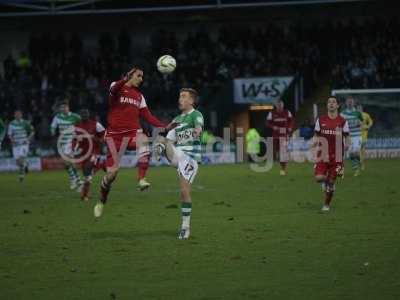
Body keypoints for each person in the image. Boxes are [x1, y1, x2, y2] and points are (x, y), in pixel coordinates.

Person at [94, 67, 167, 218]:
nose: (141, 79)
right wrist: (124, 80)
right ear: (130, 75)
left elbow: (147, 115)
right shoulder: (117, 86)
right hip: (115, 137)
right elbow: (113, 90)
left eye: (142, 76)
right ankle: (102, 200)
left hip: (133, 132)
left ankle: (141, 179)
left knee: (144, 140)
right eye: (139, 76)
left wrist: (162, 126)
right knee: (111, 175)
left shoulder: (139, 96)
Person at [154, 88, 204, 239]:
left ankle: (185, 227)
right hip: (178, 154)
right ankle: (159, 149)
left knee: (184, 192)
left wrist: (197, 130)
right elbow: (169, 138)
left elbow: (199, 125)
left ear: (191, 101)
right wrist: (162, 142)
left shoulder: (196, 115)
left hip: (190, 157)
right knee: (162, 138)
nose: (180, 99)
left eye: (183, 97)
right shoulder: (177, 119)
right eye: (179, 96)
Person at [312, 97, 350, 212]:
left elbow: (347, 136)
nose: (331, 104)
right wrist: (314, 143)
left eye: (334, 102)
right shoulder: (321, 120)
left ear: (337, 106)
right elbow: (316, 135)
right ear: (327, 105)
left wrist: (347, 144)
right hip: (323, 154)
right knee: (319, 178)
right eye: (329, 102)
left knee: (331, 182)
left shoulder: (342, 121)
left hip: (337, 156)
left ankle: (326, 205)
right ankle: (326, 183)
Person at [74, 109, 106, 201]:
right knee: (87, 175)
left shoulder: (96, 124)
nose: (84, 115)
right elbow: (73, 138)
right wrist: (77, 139)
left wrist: (98, 139)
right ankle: (101, 165)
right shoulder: (77, 126)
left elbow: (104, 135)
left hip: (94, 152)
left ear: (89, 114)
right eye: (82, 114)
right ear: (80, 115)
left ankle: (84, 196)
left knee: (88, 173)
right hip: (83, 153)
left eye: (86, 113)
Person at [50, 101, 83, 190]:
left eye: (65, 107)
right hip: (62, 143)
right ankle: (73, 178)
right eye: (61, 108)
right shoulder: (57, 117)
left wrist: (79, 135)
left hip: (71, 141)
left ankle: (79, 182)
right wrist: (52, 131)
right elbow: (52, 127)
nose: (63, 109)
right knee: (66, 163)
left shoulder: (75, 116)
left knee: (70, 161)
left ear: (68, 108)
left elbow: (82, 125)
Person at [266, 100, 294, 176]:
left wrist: (290, 127)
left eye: (281, 105)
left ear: (283, 105)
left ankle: (283, 169)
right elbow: (267, 123)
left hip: (284, 134)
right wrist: (273, 127)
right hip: (275, 134)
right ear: (276, 106)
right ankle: (278, 160)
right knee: (277, 151)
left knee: (282, 152)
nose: (280, 107)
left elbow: (291, 121)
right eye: (278, 105)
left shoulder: (287, 112)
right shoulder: (271, 113)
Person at [7, 110, 35, 182]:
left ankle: (21, 176)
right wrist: (12, 140)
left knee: (21, 159)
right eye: (16, 114)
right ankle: (26, 165)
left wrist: (28, 139)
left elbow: (32, 132)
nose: (18, 115)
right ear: (14, 115)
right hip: (15, 145)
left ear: (21, 115)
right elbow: (9, 134)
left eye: (19, 114)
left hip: (24, 144)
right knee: (17, 162)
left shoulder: (25, 123)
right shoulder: (11, 124)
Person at [340, 96, 363, 176]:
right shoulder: (342, 114)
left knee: (355, 153)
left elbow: (362, 123)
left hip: (357, 135)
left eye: (351, 101)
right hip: (348, 136)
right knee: (351, 154)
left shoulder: (358, 113)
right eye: (348, 101)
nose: (350, 103)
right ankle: (356, 169)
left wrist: (360, 124)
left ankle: (359, 160)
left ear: (353, 103)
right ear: (346, 103)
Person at [358, 105, 373, 170]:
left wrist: (368, 126)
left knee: (362, 149)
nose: (359, 109)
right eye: (358, 108)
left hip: (364, 134)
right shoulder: (354, 116)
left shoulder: (366, 115)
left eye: (360, 108)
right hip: (356, 135)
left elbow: (371, 122)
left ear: (362, 109)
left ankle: (362, 163)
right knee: (357, 151)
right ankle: (360, 163)